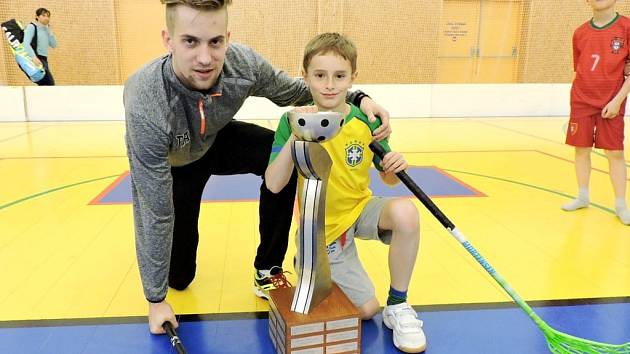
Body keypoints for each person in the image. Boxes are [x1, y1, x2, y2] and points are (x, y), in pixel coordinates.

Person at [123, 0, 392, 334]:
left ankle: (268, 267)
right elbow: (153, 211)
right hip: (176, 161)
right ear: (168, 40)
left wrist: (359, 97)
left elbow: (302, 90)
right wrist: (155, 299)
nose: (206, 58)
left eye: (215, 42)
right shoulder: (147, 99)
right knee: (179, 278)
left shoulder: (243, 65)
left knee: (284, 153)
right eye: (190, 41)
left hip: (219, 140)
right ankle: (171, 278)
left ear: (227, 38)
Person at [265, 33, 426, 353]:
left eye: (339, 76)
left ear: (353, 78)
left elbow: (389, 181)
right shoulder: (291, 120)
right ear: (305, 76)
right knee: (365, 310)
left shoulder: (366, 121)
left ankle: (398, 305)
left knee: (406, 213)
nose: (329, 84)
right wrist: (297, 137)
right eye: (319, 75)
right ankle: (308, 262)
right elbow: (273, 183)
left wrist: (392, 167)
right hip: (323, 231)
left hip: (361, 208)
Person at [563, 0, 630, 226]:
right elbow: (581, 68)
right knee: (581, 150)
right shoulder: (580, 32)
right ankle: (582, 196)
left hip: (611, 103)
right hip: (581, 101)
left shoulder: (626, 28)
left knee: (615, 154)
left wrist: (618, 101)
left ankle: (621, 204)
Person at [23, 8, 56, 86]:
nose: (46, 18)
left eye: (48, 16)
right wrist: (33, 57)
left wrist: (50, 32)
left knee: (45, 85)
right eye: (43, 15)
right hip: (36, 58)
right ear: (37, 16)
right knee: (49, 84)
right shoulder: (32, 27)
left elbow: (54, 45)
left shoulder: (46, 30)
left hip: (44, 60)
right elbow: (26, 44)